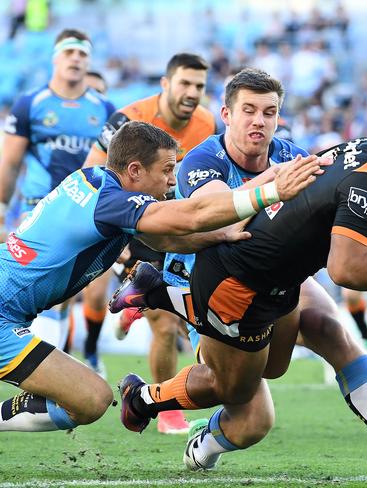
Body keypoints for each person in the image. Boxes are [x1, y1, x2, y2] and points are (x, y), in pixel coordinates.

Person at [112, 107, 367, 486]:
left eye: (270, 111)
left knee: (318, 338)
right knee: (236, 395)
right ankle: (142, 394)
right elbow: (345, 269)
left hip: (281, 279)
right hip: (236, 286)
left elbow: (347, 199)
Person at [0, 120, 323, 433]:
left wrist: (219, 236)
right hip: (3, 313)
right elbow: (191, 216)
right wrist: (271, 191)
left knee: (93, 397)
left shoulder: (96, 182)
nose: (173, 181)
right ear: (135, 171)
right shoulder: (110, 201)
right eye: (167, 170)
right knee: (89, 400)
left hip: (9, 310)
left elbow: (166, 240)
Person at [82, 53, 215, 433]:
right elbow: (92, 175)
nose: (192, 93)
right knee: (165, 324)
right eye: (185, 84)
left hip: (178, 224)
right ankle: (168, 416)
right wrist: (117, 240)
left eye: (199, 86)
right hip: (133, 221)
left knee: (174, 318)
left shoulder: (207, 123)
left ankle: (133, 305)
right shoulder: (127, 120)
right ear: (165, 83)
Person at [0, 28, 115, 352]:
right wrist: (1, 207)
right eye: (70, 52)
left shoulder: (104, 109)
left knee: (61, 296)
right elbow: (9, 162)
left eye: (83, 54)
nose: (76, 59)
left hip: (83, 211)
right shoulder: (30, 104)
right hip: (38, 207)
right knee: (36, 291)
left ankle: (55, 369)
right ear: (55, 58)